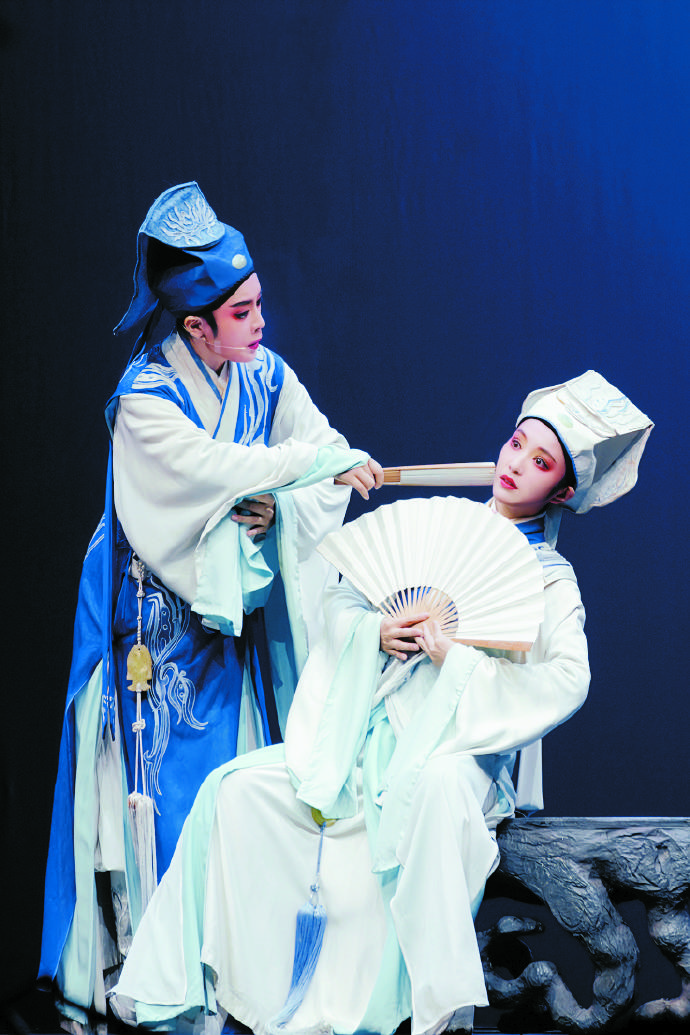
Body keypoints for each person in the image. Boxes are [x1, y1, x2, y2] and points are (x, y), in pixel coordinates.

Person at [109, 370, 652, 1035]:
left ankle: (432, 1009)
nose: (516, 464)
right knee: (234, 789)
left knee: (433, 792)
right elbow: (344, 598)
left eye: (541, 463)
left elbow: (567, 677)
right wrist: (375, 632)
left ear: (562, 491)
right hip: (368, 735)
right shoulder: (442, 529)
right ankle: (175, 984)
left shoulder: (548, 579)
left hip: (457, 751)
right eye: (517, 444)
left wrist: (458, 660)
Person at [39, 182, 384, 1029]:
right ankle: (154, 981)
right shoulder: (146, 401)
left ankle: (235, 975)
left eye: (259, 301)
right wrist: (302, 473)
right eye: (242, 311)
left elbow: (314, 444)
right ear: (196, 326)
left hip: (238, 629)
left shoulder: (264, 374)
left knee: (246, 791)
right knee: (160, 798)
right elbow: (219, 473)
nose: (261, 321)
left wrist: (313, 484)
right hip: (155, 627)